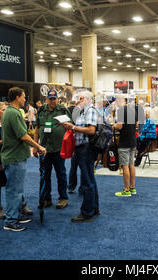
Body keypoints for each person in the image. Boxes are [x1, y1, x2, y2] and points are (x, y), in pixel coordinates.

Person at [1, 87, 46, 232]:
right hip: (14, 158)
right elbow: (23, 135)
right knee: (14, 191)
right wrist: (38, 146)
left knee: (14, 189)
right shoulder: (13, 113)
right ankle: (11, 221)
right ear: (17, 97)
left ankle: (14, 215)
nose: (25, 99)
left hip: (13, 156)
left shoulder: (10, 112)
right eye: (23, 96)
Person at [62, 90, 99, 223]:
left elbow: (91, 130)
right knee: (90, 180)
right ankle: (94, 209)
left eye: (81, 98)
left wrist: (73, 127)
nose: (78, 101)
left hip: (86, 149)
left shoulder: (90, 110)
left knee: (87, 181)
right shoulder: (86, 111)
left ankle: (87, 213)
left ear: (88, 99)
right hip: (83, 149)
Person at [33, 89, 72, 209]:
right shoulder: (41, 110)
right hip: (44, 148)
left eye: (54, 98)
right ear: (47, 99)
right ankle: (46, 198)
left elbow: (70, 129)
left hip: (59, 148)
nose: (52, 101)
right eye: (50, 98)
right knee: (45, 175)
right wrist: (35, 145)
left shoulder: (62, 110)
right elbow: (37, 128)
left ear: (57, 99)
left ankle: (63, 198)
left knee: (61, 173)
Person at [112, 95, 137, 197]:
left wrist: (113, 126)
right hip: (132, 141)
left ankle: (126, 190)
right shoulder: (133, 110)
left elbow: (119, 126)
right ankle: (132, 188)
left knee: (125, 166)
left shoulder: (121, 111)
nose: (116, 102)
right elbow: (136, 124)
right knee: (131, 164)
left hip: (124, 142)